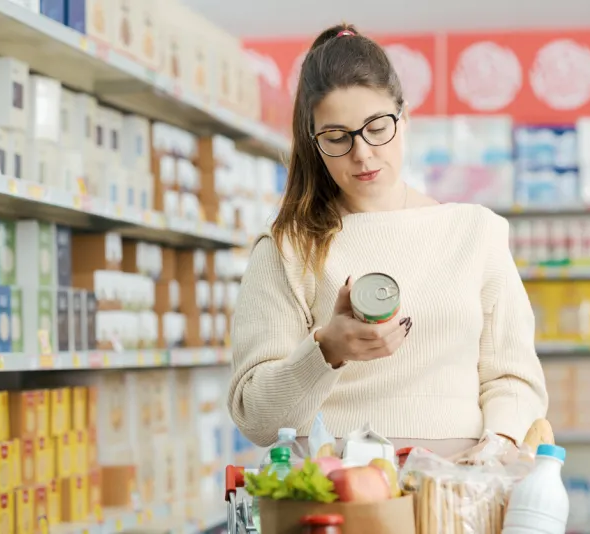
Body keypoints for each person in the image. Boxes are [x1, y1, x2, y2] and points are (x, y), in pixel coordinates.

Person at [228, 23, 548, 457]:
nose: (362, 153)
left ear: (405, 116)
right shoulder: (287, 248)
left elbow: (515, 379)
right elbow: (256, 416)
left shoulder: (476, 233)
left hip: (458, 491)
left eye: (377, 128)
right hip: (334, 497)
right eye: (337, 138)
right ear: (314, 142)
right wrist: (327, 350)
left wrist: (497, 447)